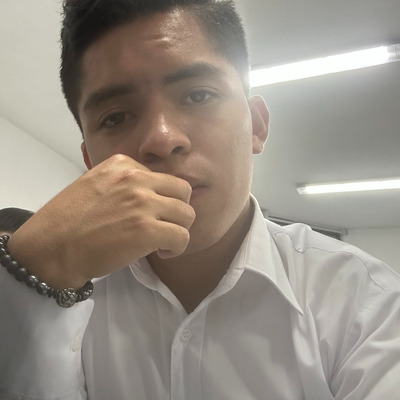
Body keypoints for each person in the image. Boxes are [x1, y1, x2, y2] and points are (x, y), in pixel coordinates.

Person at [0, 0, 399, 399]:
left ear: (256, 126)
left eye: (198, 95)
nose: (162, 139)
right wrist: (30, 271)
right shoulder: (61, 294)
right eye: (116, 117)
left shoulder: (366, 304)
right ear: (91, 164)